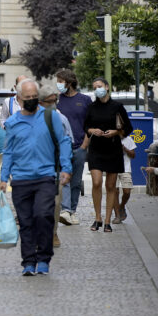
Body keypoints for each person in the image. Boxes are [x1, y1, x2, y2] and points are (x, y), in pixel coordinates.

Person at [0, 79, 71, 276]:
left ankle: (44, 258)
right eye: (27, 98)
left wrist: (66, 167)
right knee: (26, 221)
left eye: (34, 97)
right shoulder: (13, 122)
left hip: (46, 176)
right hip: (21, 179)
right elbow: (9, 152)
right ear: (19, 99)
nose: (31, 100)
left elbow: (64, 141)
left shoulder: (50, 116)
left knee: (43, 215)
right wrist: (4, 178)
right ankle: (29, 262)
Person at [84, 77, 133, 232]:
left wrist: (116, 132)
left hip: (113, 149)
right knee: (96, 182)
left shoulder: (117, 106)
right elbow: (85, 126)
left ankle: (107, 221)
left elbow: (128, 128)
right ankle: (97, 218)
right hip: (96, 149)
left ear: (106, 87)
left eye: (99, 86)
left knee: (111, 186)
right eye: (94, 87)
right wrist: (92, 131)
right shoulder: (91, 107)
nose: (97, 89)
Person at [37, 84, 74, 248]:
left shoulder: (61, 119)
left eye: (55, 101)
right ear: (40, 102)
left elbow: (68, 142)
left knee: (55, 204)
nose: (53, 104)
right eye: (49, 101)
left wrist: (67, 167)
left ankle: (53, 232)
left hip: (55, 168)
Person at [56, 68, 92, 226]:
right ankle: (65, 210)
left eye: (60, 81)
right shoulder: (57, 100)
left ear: (69, 83)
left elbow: (90, 123)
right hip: (62, 147)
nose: (58, 85)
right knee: (64, 179)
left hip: (79, 146)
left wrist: (85, 144)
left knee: (76, 181)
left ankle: (72, 211)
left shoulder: (84, 100)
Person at [113, 135, 136, 224]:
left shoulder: (128, 139)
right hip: (113, 168)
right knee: (114, 191)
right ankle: (117, 216)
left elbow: (133, 155)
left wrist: (125, 149)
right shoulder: (112, 137)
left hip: (125, 169)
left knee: (127, 191)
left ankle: (121, 206)